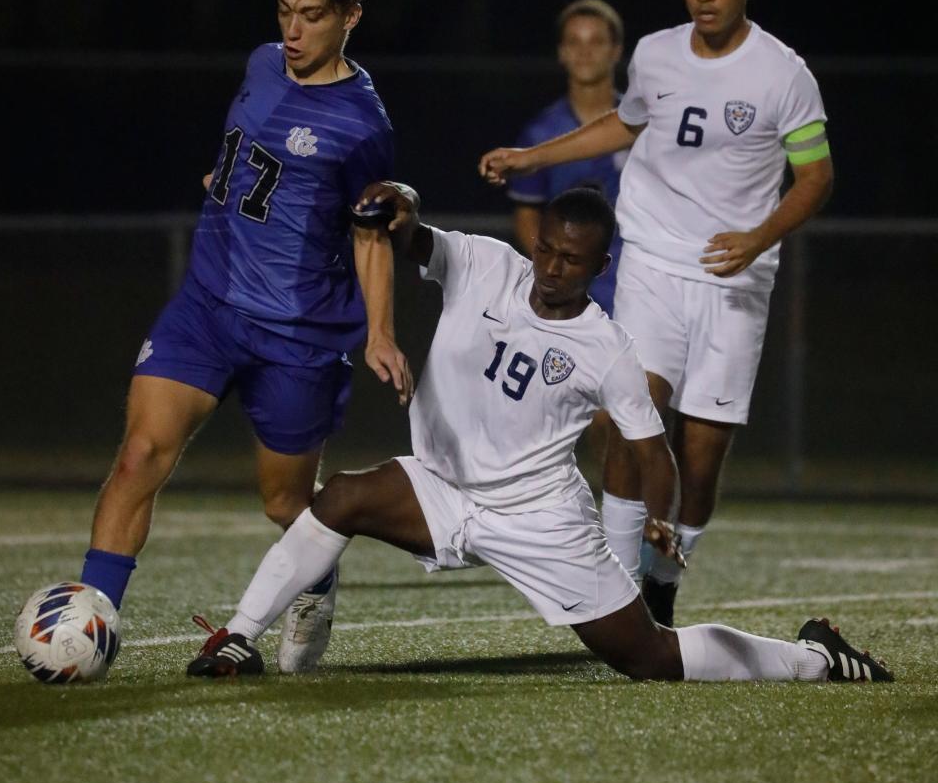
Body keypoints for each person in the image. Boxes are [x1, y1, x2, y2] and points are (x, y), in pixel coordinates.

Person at [184, 185, 889, 685]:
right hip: (443, 486)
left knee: (646, 657)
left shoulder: (606, 347)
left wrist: (659, 517)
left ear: (599, 268)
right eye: (547, 249)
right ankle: (238, 636)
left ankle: (813, 657)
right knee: (340, 496)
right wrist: (395, 197)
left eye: (571, 260)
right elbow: (408, 229)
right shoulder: (486, 264)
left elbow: (650, 450)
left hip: (538, 516)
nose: (551, 267)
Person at [479, 0, 835, 627]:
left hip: (734, 283)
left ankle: (664, 580)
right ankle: (614, 603)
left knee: (700, 457)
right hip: (651, 264)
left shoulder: (784, 74)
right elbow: (625, 123)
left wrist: (759, 236)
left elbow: (815, 177)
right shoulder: (655, 54)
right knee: (629, 417)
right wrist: (532, 159)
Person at [78, 0, 412, 675]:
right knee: (138, 454)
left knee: (284, 505)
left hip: (298, 334)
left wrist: (381, 333)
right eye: (285, 10)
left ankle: (314, 571)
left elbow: (367, 235)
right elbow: (250, 152)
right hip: (209, 306)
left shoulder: (363, 124)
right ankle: (90, 623)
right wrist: (227, 184)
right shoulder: (262, 63)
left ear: (350, 15)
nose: (292, 31)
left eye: (313, 14)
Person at [508, 0, 627, 312]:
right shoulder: (541, 134)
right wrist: (562, 270)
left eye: (597, 41)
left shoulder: (643, 124)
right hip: (577, 298)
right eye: (574, 41)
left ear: (616, 50)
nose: (585, 51)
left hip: (641, 286)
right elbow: (526, 216)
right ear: (561, 52)